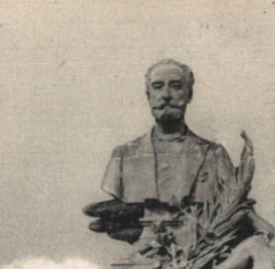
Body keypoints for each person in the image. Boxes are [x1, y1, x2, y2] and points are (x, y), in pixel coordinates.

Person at [100, 59, 235, 207]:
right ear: (148, 96)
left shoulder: (214, 155)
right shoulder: (124, 155)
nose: (166, 95)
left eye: (175, 86)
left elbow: (234, 208)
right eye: (157, 87)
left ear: (189, 95)